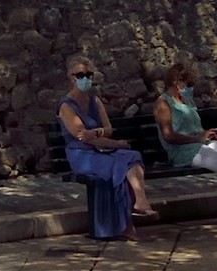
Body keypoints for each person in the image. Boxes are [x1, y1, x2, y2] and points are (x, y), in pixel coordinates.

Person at [59, 57, 161, 240]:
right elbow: (84, 138)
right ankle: (129, 222)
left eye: (88, 74)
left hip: (99, 149)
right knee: (121, 164)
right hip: (82, 155)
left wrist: (96, 132)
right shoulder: (66, 107)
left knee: (132, 156)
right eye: (80, 75)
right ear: (71, 78)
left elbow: (108, 129)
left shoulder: (95, 101)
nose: (85, 78)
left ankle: (139, 203)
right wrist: (115, 143)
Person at [155, 64, 217, 179]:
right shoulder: (163, 103)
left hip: (200, 145)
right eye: (189, 84)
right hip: (182, 151)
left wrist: (209, 136)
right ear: (177, 82)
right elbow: (168, 136)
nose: (190, 88)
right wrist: (196, 138)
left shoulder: (187, 100)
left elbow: (195, 130)